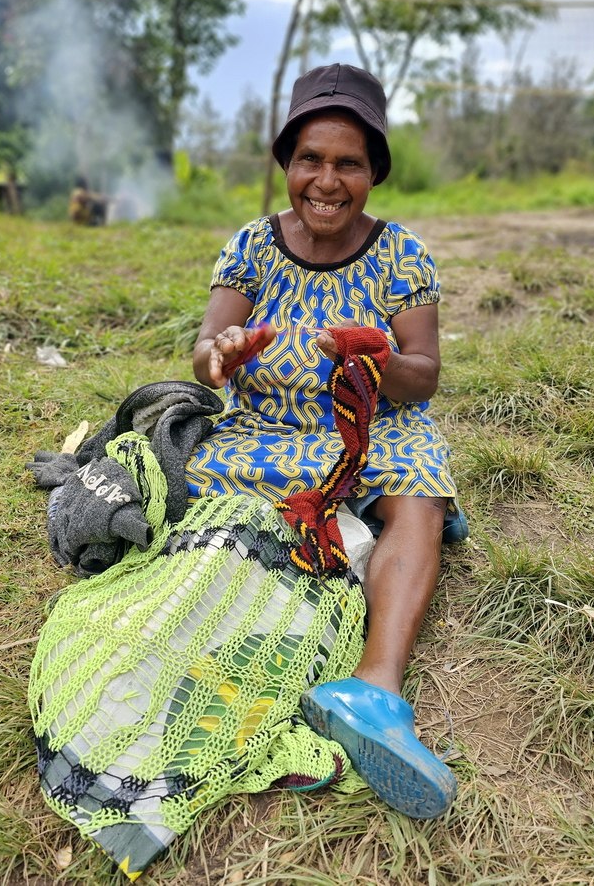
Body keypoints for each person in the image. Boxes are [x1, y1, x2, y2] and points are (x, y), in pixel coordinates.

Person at [186, 63, 466, 819]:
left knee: (419, 495)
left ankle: (373, 692)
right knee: (194, 509)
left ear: (373, 171)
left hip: (372, 429)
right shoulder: (250, 245)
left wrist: (376, 356)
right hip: (263, 432)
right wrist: (222, 356)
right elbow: (205, 352)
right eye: (310, 158)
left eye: (348, 163)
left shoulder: (401, 253)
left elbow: (423, 377)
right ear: (287, 163)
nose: (326, 180)